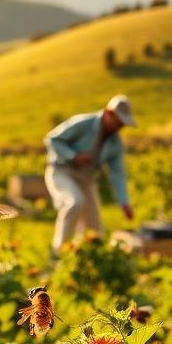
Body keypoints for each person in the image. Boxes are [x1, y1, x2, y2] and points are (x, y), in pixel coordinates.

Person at [44, 95, 135, 256]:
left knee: (95, 232)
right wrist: (73, 156)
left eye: (123, 124)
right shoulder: (83, 123)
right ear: (108, 113)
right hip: (62, 173)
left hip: (86, 181)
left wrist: (124, 202)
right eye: (118, 122)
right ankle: (57, 254)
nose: (120, 127)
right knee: (74, 202)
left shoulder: (115, 143)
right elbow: (52, 139)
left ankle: (82, 259)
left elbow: (117, 172)